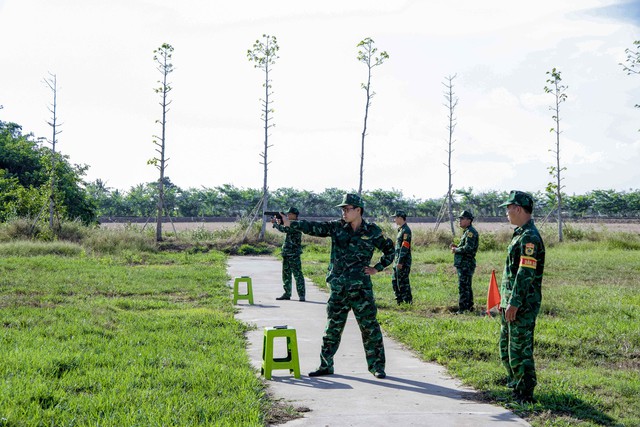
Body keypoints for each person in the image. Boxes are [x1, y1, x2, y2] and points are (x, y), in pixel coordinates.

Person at [279, 193, 394, 379]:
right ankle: (325, 365)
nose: (344, 212)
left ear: (358, 210)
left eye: (347, 209)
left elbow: (390, 249)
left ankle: (377, 367)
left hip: (361, 289)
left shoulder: (372, 231)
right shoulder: (336, 227)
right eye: (342, 209)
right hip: (339, 288)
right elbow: (314, 227)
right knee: (332, 328)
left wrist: (377, 268)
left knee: (370, 328)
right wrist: (290, 223)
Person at [498, 190, 545, 404]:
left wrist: (514, 303)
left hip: (522, 305)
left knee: (520, 351)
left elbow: (525, 273)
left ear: (518, 208)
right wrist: (504, 301)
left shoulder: (529, 237)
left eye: (508, 208)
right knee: (506, 348)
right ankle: (514, 384)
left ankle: (525, 395)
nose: (507, 213)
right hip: (510, 303)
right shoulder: (519, 233)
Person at [272, 207, 306, 302]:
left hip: (294, 254)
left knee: (297, 274)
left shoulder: (297, 225)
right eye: (288, 214)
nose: (288, 215)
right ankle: (287, 293)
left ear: (295, 215)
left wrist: (276, 224)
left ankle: (301, 295)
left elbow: (285, 230)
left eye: (290, 214)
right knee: (286, 274)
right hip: (286, 253)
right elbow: (285, 227)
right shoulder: (289, 223)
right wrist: (279, 222)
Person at [449, 210, 479, 314]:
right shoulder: (467, 232)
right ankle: (468, 307)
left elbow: (468, 248)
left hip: (466, 264)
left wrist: (456, 250)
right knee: (466, 286)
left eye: (462, 219)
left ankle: (463, 309)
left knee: (463, 286)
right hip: (464, 263)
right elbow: (465, 247)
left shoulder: (470, 232)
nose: (460, 221)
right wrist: (457, 247)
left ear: (468, 220)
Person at [391, 210, 413, 304]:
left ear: (400, 218)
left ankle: (407, 301)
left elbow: (404, 247)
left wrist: (400, 262)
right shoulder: (400, 230)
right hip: (397, 260)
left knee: (403, 282)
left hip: (403, 261)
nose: (394, 219)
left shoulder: (406, 231)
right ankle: (399, 300)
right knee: (395, 280)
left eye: (395, 217)